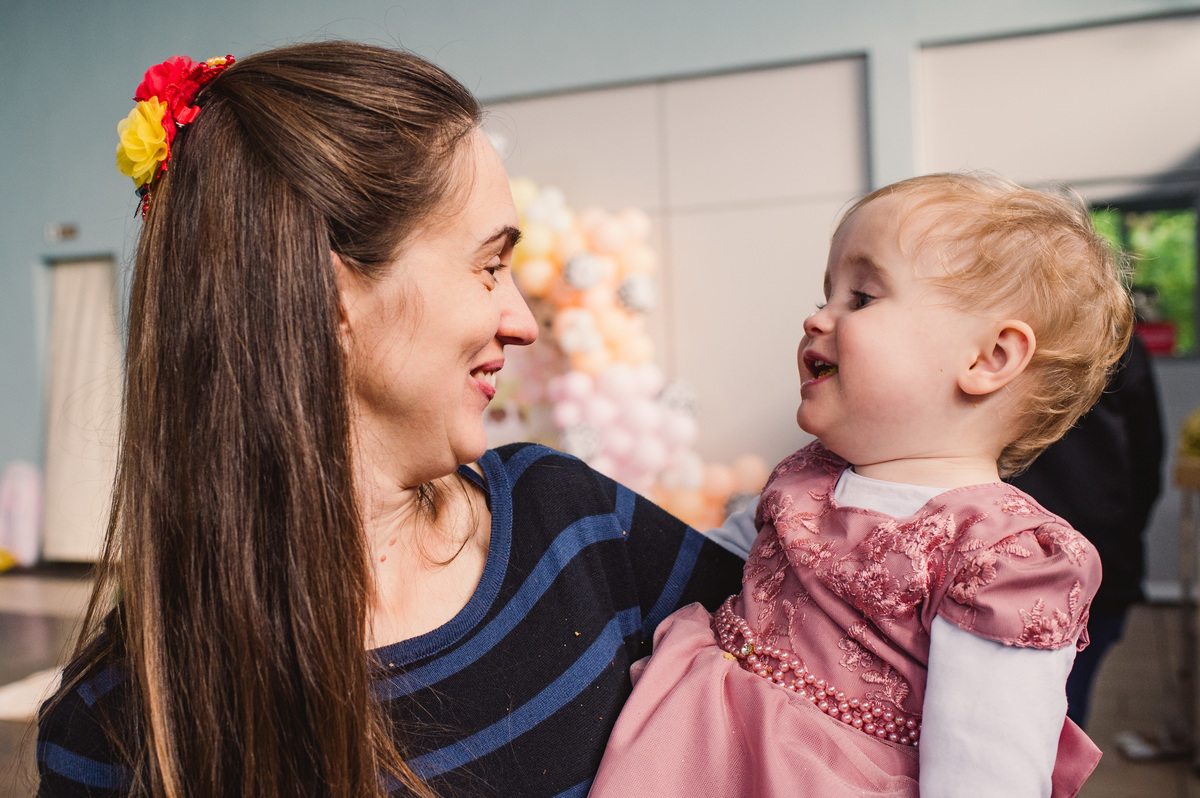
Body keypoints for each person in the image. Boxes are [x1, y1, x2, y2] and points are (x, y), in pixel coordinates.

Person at [35, 42, 744, 798]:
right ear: (329, 295)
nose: (523, 322)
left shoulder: (576, 525)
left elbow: (811, 671)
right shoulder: (113, 731)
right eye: (489, 266)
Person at [589, 173, 1134, 798]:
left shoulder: (1003, 556)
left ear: (988, 358)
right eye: (827, 293)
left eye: (862, 297)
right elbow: (700, 560)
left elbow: (985, 770)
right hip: (694, 747)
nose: (816, 316)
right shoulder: (809, 475)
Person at [1010, 333, 1164, 727]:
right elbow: (1147, 457)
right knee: (1063, 712)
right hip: (1096, 545)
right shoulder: (1116, 337)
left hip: (1005, 547)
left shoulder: (986, 323)